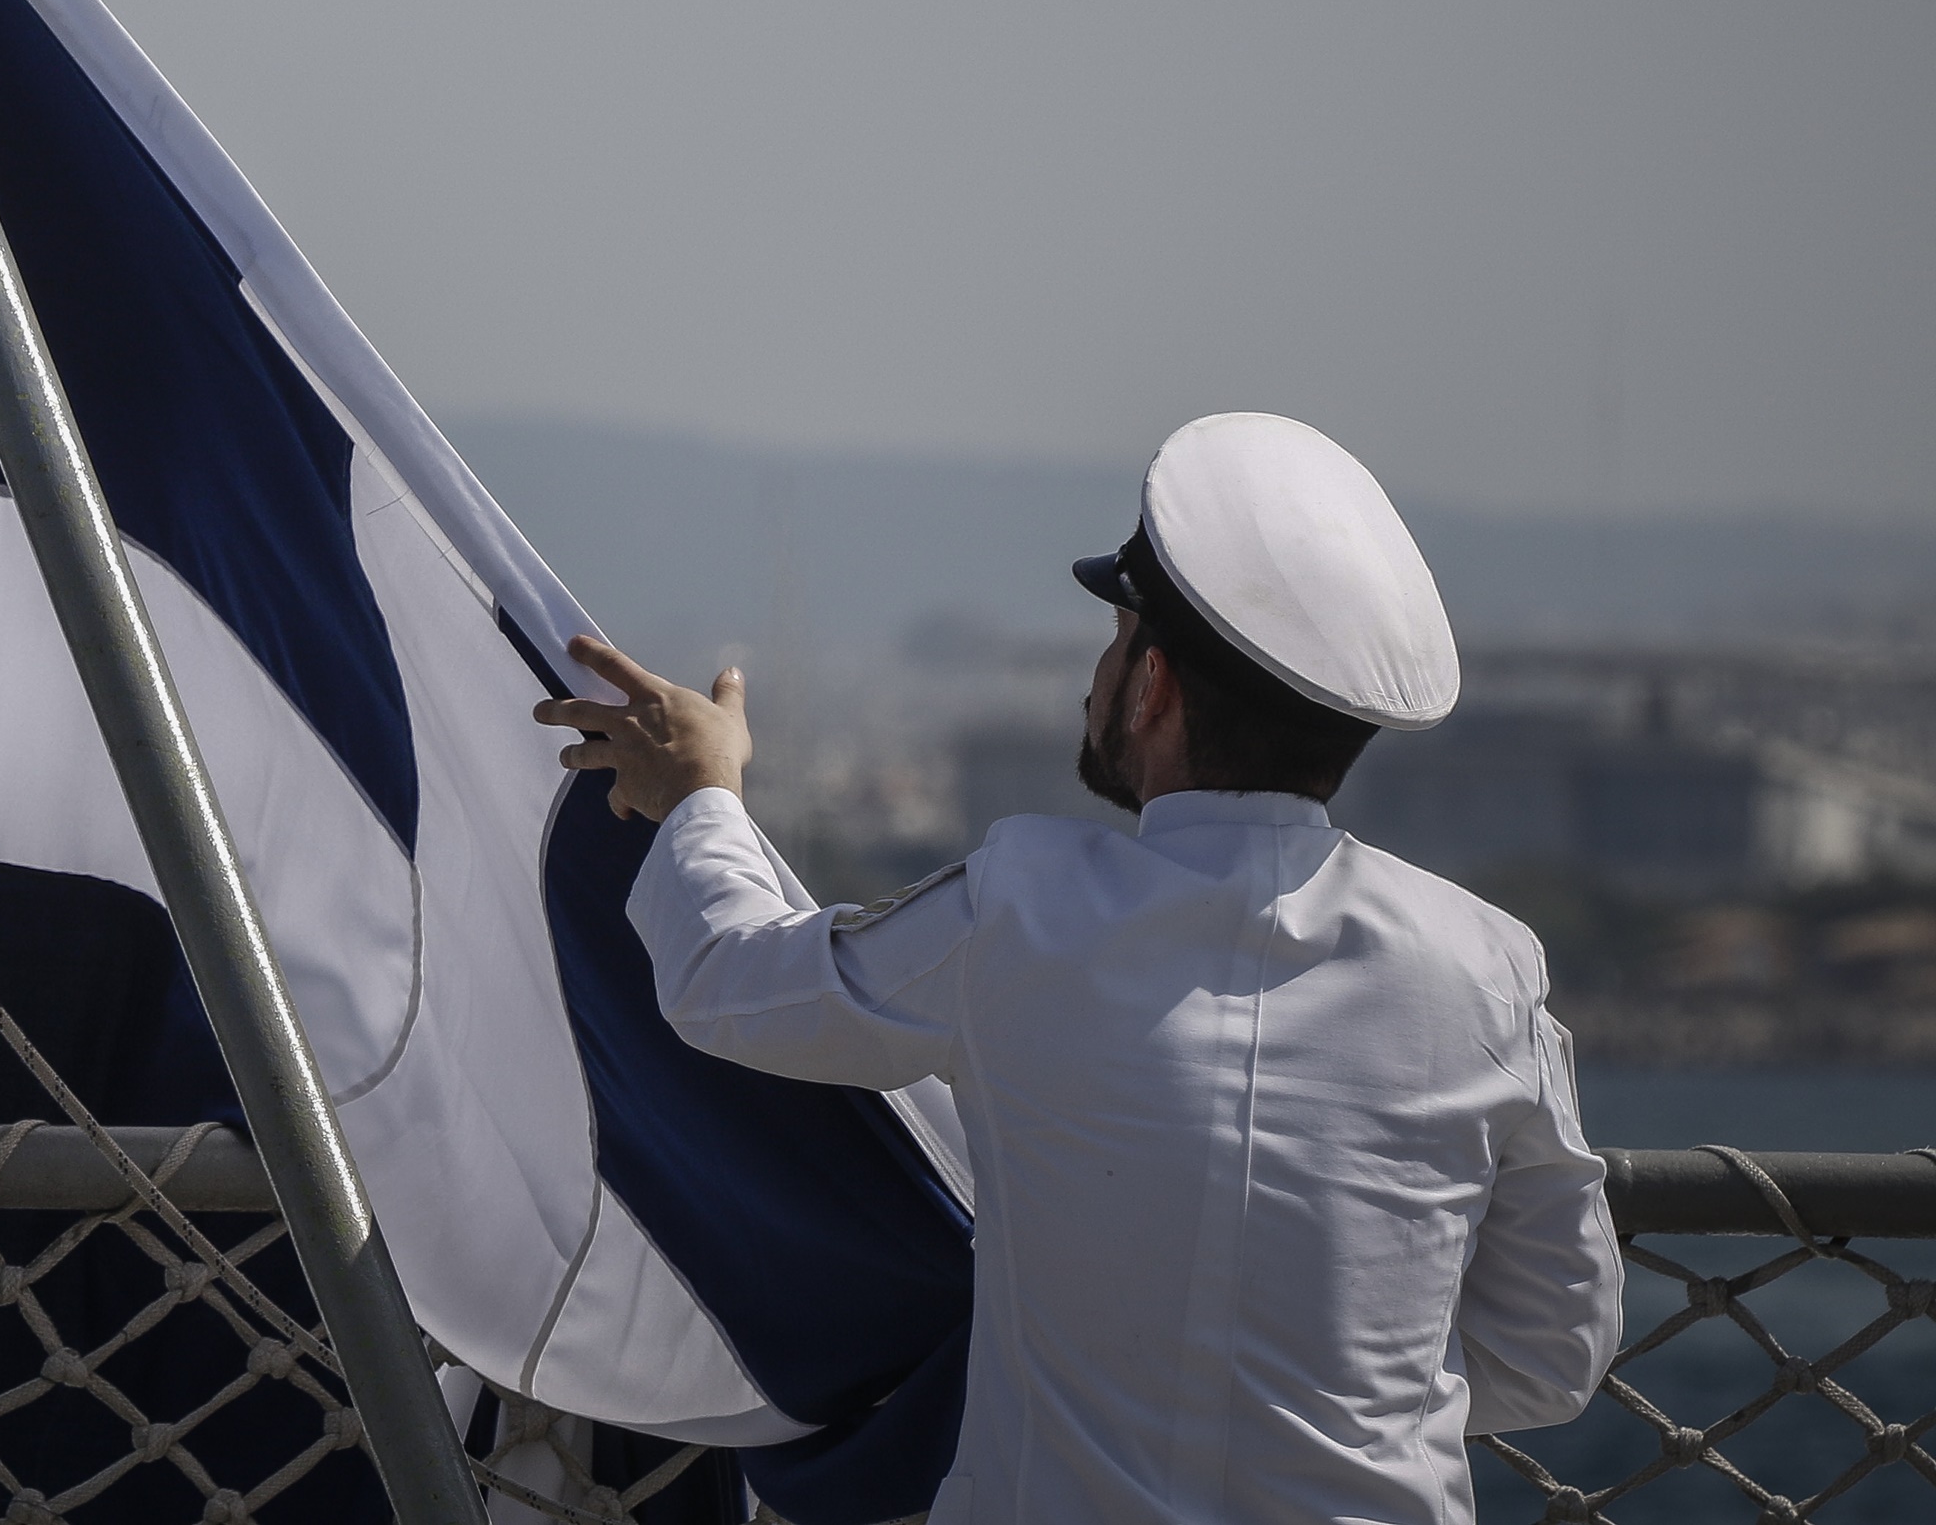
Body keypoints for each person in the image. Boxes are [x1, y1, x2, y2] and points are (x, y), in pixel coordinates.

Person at [536, 410, 1621, 1524]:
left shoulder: (1027, 906)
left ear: (1151, 686)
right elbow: (1552, 1350)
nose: (1095, 674)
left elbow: (731, 983)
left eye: (1114, 642)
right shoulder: (1485, 968)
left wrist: (702, 792)